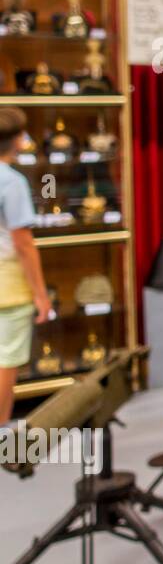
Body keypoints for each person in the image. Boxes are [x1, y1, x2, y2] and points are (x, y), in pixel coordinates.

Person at [0, 108, 50, 426]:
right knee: (6, 360)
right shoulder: (13, 182)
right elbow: (23, 243)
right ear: (17, 140)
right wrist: (41, 294)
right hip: (8, 285)